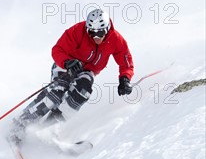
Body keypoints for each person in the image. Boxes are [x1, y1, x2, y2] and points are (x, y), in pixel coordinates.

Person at [8, 8, 134, 144]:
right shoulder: (77, 31)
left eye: (100, 33)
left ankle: (49, 126)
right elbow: (57, 50)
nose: (96, 37)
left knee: (82, 93)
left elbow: (126, 62)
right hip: (66, 65)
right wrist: (67, 62)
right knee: (57, 93)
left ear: (108, 29)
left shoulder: (116, 40)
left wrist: (125, 79)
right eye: (92, 32)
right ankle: (21, 124)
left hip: (87, 71)